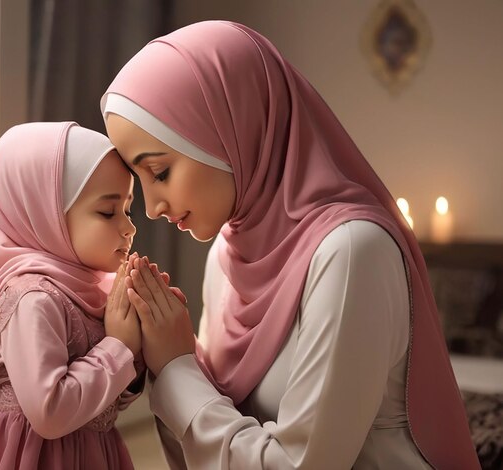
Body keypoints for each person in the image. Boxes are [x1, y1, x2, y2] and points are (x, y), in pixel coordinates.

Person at [100, 20, 480, 469]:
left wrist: (179, 370)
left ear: (231, 129)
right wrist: (158, 356)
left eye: (160, 172)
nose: (151, 208)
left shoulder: (353, 252)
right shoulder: (226, 255)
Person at [0, 122, 144, 470]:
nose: (128, 227)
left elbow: (99, 404)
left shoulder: (94, 295)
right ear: (45, 215)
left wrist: (141, 345)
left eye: (127, 210)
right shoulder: (31, 299)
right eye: (107, 211)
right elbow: (50, 413)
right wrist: (120, 348)